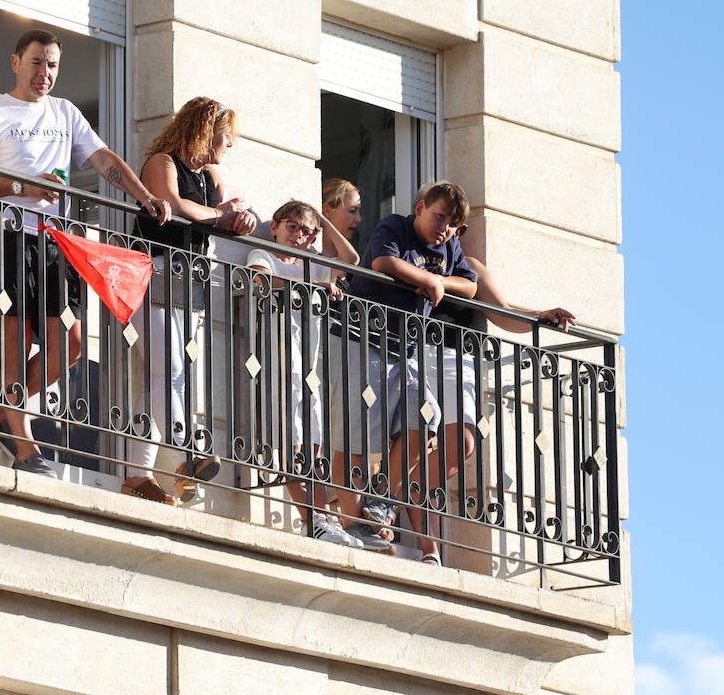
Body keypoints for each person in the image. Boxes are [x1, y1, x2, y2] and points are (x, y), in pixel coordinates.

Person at [0, 28, 171, 477]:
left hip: (57, 240)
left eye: (52, 65)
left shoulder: (66, 112)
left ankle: (3, 408)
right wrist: (27, 187)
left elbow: (104, 159)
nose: (44, 73)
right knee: (15, 340)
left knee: (69, 343)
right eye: (36, 62)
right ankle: (23, 440)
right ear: (15, 62)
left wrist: (144, 196)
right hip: (12, 234)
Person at [336, 181, 478, 565]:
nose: (444, 228)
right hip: (363, 335)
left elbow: (469, 284)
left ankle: (384, 499)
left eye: (453, 224)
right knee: (358, 430)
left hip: (405, 348)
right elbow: (383, 262)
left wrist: (440, 282)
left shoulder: (449, 247)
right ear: (420, 208)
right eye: (440, 217)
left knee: (426, 418)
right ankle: (352, 520)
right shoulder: (394, 226)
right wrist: (426, 279)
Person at [123, 97, 256, 504]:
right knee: (172, 370)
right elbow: (178, 207)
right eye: (225, 136)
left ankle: (138, 474)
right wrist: (222, 214)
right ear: (205, 132)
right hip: (151, 271)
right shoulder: (162, 162)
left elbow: (232, 208)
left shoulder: (209, 174)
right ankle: (187, 457)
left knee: (160, 379)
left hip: (185, 279)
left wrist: (243, 217)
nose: (228, 145)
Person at [248, 201, 360, 545]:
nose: (300, 236)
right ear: (277, 226)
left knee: (314, 444)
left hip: (310, 367)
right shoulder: (263, 253)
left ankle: (326, 517)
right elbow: (261, 281)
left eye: (308, 231)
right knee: (293, 440)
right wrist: (314, 288)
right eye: (293, 227)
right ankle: (312, 518)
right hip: (280, 360)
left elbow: (352, 259)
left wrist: (322, 220)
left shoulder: (315, 265)